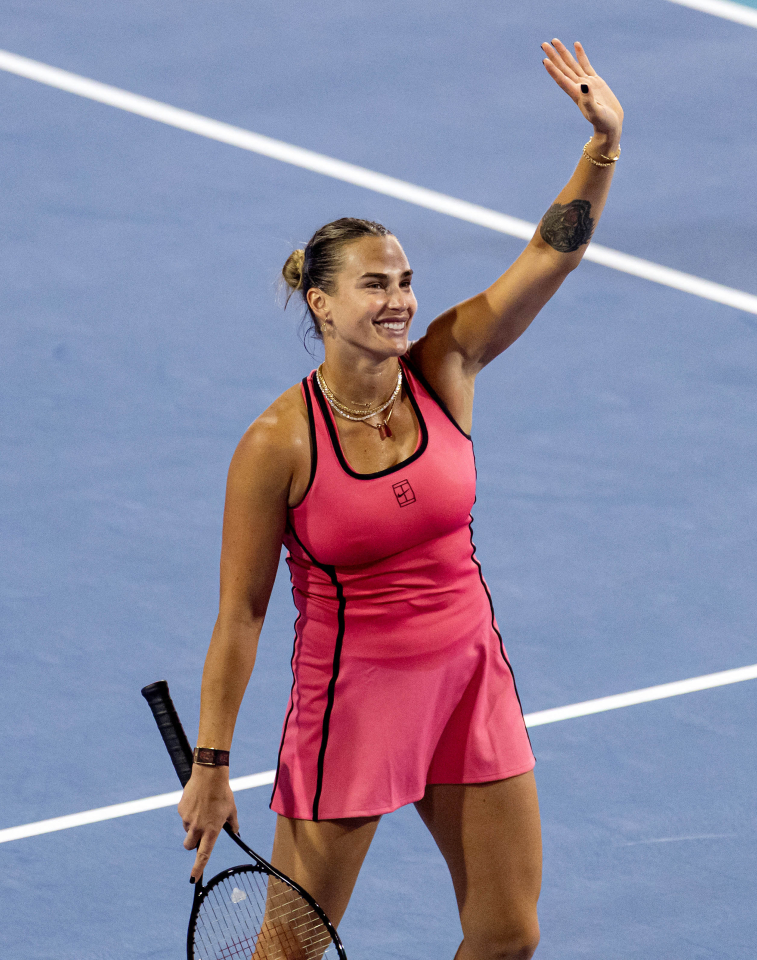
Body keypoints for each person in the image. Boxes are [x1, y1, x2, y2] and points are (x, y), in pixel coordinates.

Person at [178, 39, 623, 959]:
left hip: (468, 677)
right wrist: (213, 766)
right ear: (321, 305)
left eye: (406, 281)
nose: (400, 301)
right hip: (354, 698)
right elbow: (242, 614)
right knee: (292, 949)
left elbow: (551, 256)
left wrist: (603, 144)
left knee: (507, 935)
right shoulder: (277, 445)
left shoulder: (446, 366)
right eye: (374, 284)